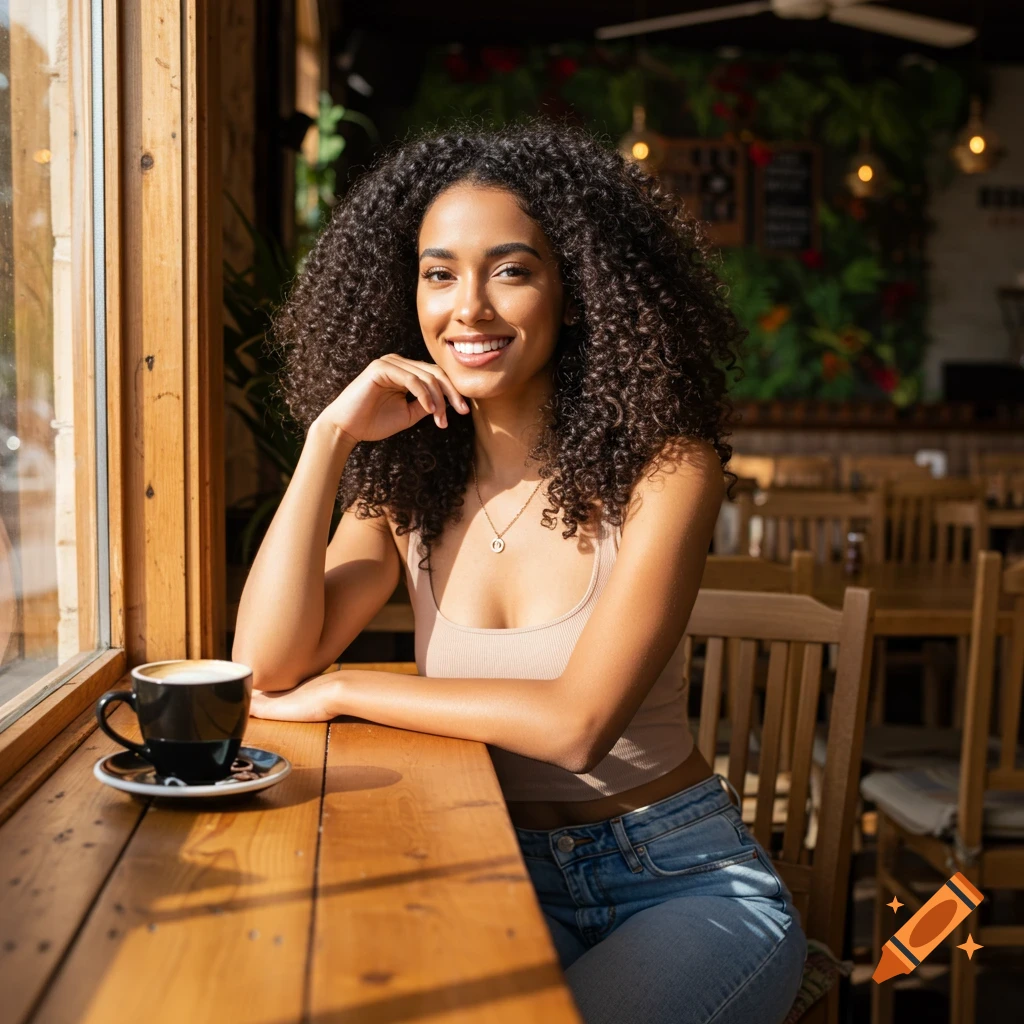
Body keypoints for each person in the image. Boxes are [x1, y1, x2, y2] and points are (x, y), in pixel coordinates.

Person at [232, 120, 806, 1024]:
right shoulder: (407, 487)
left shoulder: (668, 471)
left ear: (574, 294)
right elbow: (265, 668)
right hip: (492, 865)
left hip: (682, 883)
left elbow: (576, 728)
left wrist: (346, 687)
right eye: (439, 273)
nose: (469, 308)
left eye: (510, 269)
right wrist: (328, 439)